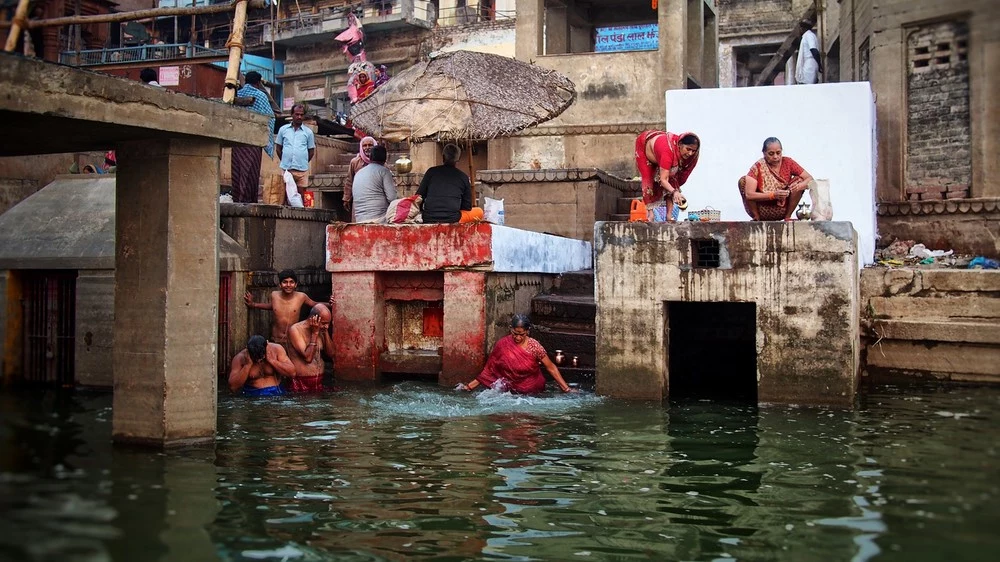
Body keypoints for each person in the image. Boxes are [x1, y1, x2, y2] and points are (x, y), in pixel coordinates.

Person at [460, 314, 574, 395]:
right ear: (511, 329)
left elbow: (551, 367)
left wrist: (566, 389)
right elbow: (490, 369)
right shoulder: (502, 344)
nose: (518, 337)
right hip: (509, 392)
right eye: (515, 334)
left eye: (522, 334)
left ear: (527, 331)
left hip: (533, 393)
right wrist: (469, 387)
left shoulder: (534, 346)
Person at [244, 269, 325, 351]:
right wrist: (253, 304)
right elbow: (273, 307)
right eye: (285, 282)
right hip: (276, 340)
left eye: (291, 282)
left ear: (296, 284)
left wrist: (331, 303)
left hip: (293, 340)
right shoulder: (274, 295)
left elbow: (315, 304)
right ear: (280, 284)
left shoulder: (301, 297)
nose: (288, 285)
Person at [738, 137, 814, 221]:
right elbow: (749, 194)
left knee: (799, 180)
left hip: (782, 208)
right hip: (762, 209)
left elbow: (810, 179)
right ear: (764, 153)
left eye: (778, 153)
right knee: (743, 181)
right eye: (771, 154)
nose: (775, 157)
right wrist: (773, 195)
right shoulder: (758, 166)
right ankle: (756, 217)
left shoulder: (788, 162)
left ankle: (787, 217)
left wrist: (799, 187)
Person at [232, 71, 280, 203]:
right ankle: (247, 201)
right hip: (253, 141)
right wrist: (268, 140)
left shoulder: (236, 94)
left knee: (238, 171)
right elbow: (270, 118)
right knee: (251, 173)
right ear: (258, 83)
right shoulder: (260, 95)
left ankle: (238, 199)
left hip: (237, 140)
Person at [634, 131, 701, 221]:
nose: (690, 154)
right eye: (688, 149)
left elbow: (673, 180)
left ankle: (669, 215)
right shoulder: (667, 151)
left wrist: (676, 192)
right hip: (644, 147)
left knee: (673, 178)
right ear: (680, 144)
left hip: (661, 152)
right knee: (648, 178)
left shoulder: (684, 155)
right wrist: (675, 192)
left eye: (693, 151)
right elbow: (663, 180)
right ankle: (650, 214)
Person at [416, 143, 484, 224]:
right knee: (479, 211)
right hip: (453, 218)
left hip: (429, 217)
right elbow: (467, 206)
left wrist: (422, 212)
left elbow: (418, 197)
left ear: (443, 157)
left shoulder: (431, 172)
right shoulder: (463, 177)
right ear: (457, 160)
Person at [287, 304, 335, 392]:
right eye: (324, 323)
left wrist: (325, 332)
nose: (327, 326)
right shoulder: (295, 330)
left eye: (328, 323)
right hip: (301, 383)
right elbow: (308, 358)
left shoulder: (322, 330)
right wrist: (315, 334)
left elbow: (331, 354)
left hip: (319, 382)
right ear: (313, 318)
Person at [228, 335, 295, 396]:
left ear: (267, 345)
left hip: (276, 392)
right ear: (247, 350)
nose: (258, 361)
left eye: (261, 358)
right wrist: (247, 365)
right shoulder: (240, 358)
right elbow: (233, 387)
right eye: (255, 358)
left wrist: (272, 361)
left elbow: (292, 373)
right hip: (252, 394)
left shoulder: (277, 349)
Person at [276, 103, 316, 205]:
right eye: (297, 114)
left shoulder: (308, 132)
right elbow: (278, 149)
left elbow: (311, 151)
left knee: (302, 196)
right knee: (284, 196)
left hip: (302, 170)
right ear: (292, 114)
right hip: (286, 169)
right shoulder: (283, 130)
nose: (299, 117)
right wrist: (285, 160)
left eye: (301, 115)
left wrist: (302, 161)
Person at [351, 145, 397, 222]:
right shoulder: (384, 172)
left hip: (359, 219)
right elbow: (392, 198)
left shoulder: (359, 173)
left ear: (370, 157)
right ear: (385, 158)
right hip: (379, 219)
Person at [343, 136, 377, 219]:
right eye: (364, 146)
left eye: (370, 145)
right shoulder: (355, 162)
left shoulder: (380, 162)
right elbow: (349, 181)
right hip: (359, 198)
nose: (367, 148)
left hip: (375, 199)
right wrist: (346, 198)